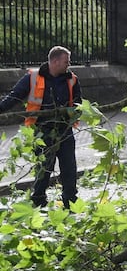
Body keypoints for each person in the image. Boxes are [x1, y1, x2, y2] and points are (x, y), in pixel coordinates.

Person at [0, 46, 81, 208]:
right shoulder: (33, 77)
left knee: (69, 168)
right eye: (67, 61)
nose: (69, 64)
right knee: (44, 169)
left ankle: (71, 202)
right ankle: (38, 201)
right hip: (42, 131)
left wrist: (74, 112)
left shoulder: (72, 79)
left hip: (64, 130)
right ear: (55, 61)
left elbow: (78, 103)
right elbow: (14, 97)